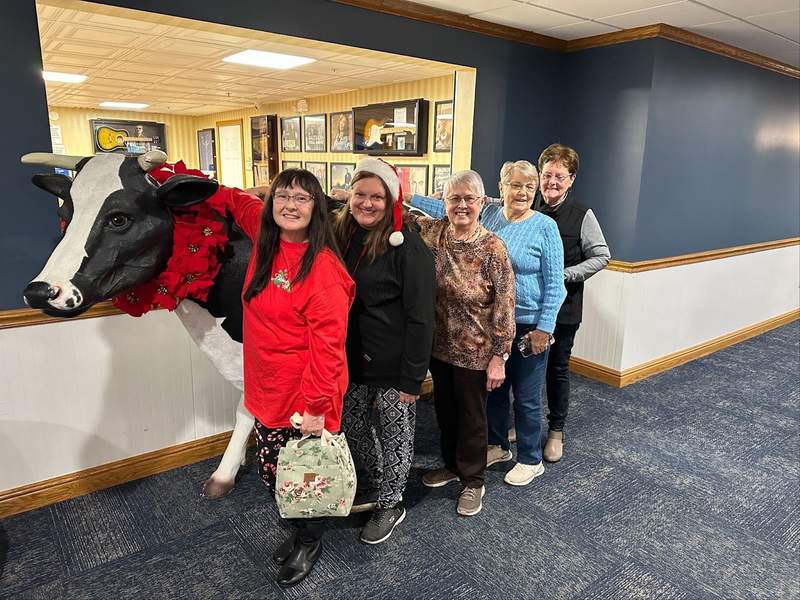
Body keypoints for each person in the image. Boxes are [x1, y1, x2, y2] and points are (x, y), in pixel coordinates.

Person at [226, 168, 354, 587]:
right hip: (267, 390)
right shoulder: (266, 240)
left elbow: (328, 350)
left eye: (301, 198)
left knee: (307, 476)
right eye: (282, 196)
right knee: (274, 473)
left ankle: (309, 542)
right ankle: (299, 530)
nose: (290, 205)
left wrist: (316, 408)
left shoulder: (323, 269)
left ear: (316, 208)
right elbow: (234, 201)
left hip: (305, 398)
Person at [410, 160, 566, 487]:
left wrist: (545, 328)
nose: (522, 192)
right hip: (488, 323)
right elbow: (451, 205)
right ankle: (498, 445)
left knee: (526, 396)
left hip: (529, 325)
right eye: (515, 185)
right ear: (501, 189)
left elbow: (555, 285)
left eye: (529, 187)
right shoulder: (491, 214)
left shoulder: (544, 227)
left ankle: (530, 458)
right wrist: (406, 195)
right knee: (494, 395)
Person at [332, 157, 435, 544]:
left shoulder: (408, 246)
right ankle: (374, 482)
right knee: (353, 424)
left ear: (391, 200)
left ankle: (391, 502)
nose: (367, 203)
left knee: (395, 432)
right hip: (351, 357)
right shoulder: (342, 234)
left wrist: (413, 377)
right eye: (360, 194)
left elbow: (422, 317)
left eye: (377, 196)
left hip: (396, 362)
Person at [413, 170, 516, 516]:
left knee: (472, 419)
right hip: (439, 348)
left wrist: (499, 355)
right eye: (454, 198)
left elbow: (505, 305)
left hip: (476, 352)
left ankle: (473, 480)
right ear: (443, 202)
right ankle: (453, 465)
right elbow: (395, 216)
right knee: (445, 412)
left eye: (469, 199)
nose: (461, 205)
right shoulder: (434, 232)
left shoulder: (493, 248)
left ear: (481, 202)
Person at [534, 144, 610, 462]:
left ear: (571, 179)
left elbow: (602, 256)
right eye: (547, 174)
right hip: (529, 307)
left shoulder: (582, 214)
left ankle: (556, 431)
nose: (552, 182)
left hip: (563, 310)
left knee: (556, 369)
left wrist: (565, 275)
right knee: (523, 370)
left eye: (559, 176)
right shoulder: (528, 204)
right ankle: (523, 423)